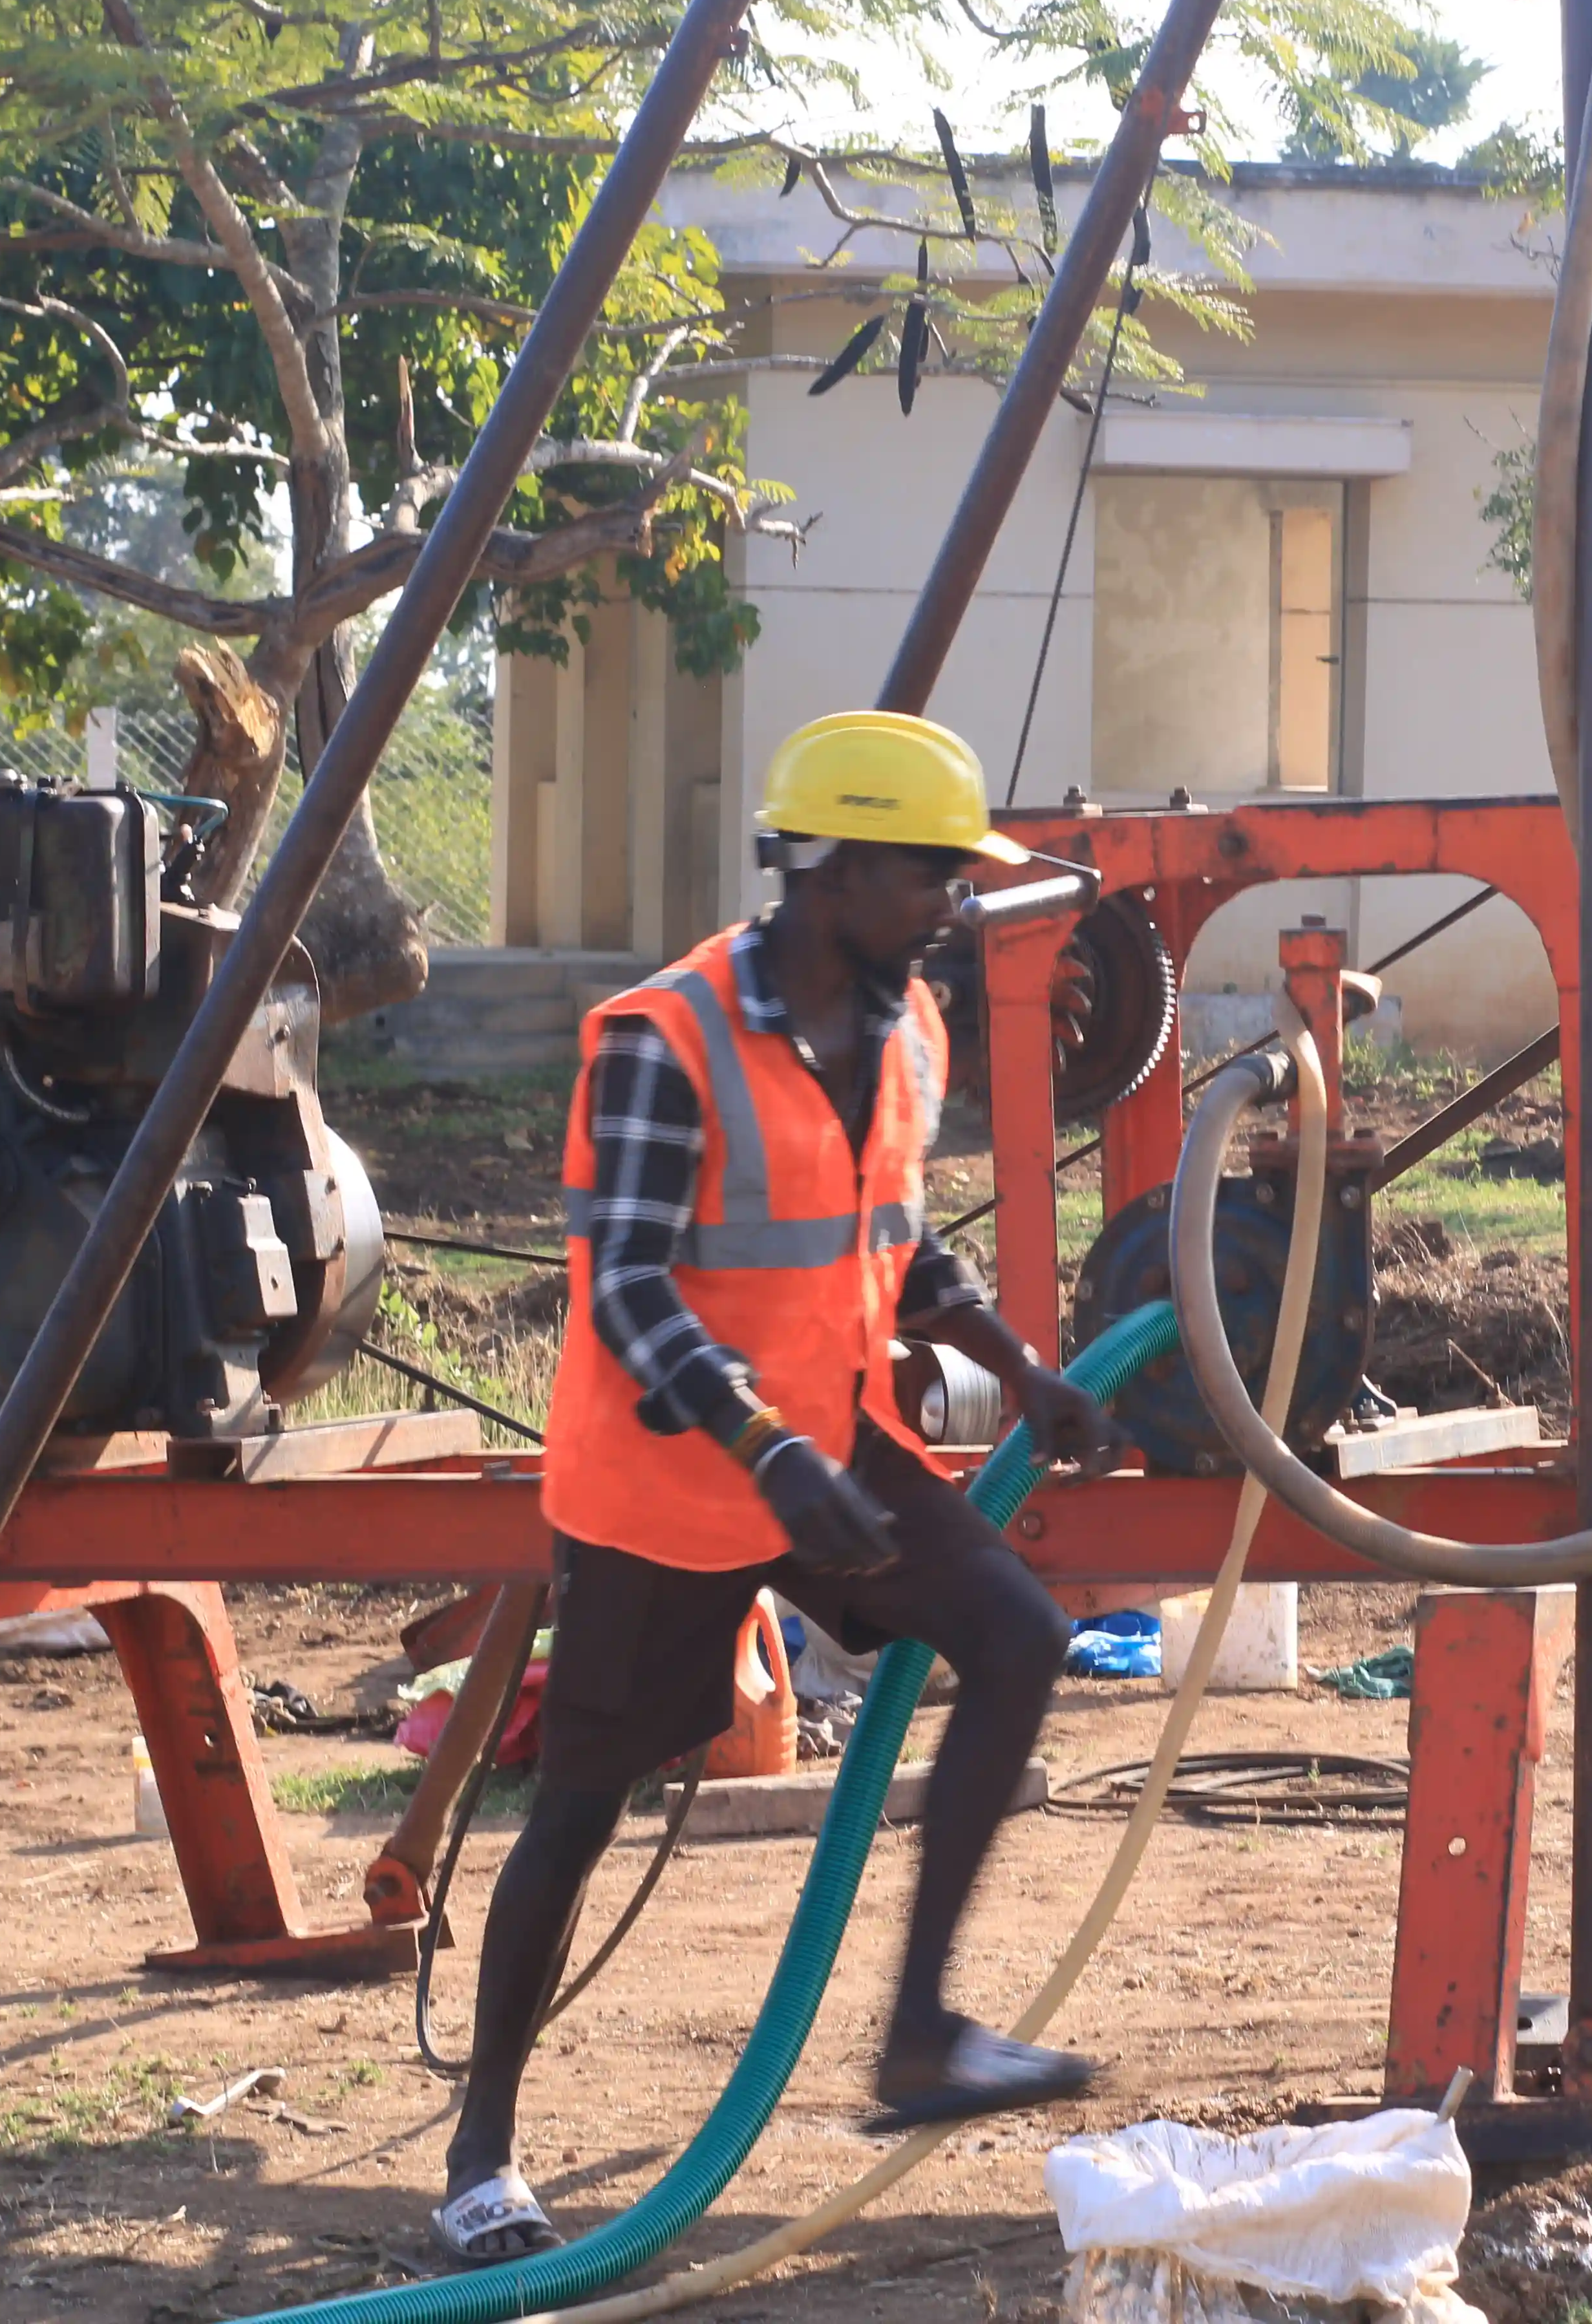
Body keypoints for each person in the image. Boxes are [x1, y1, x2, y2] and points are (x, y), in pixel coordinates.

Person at [434, 709, 1132, 2266]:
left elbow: (897, 1243)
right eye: (930, 877)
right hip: (670, 1481)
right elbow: (622, 1282)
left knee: (1017, 1636)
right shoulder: (662, 1036)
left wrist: (1020, 1366)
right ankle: (481, 2147)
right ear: (826, 867)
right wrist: (763, 1453)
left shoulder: (911, 1027)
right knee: (579, 1806)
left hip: (832, 1436)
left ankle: (921, 2034)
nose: (953, 905)